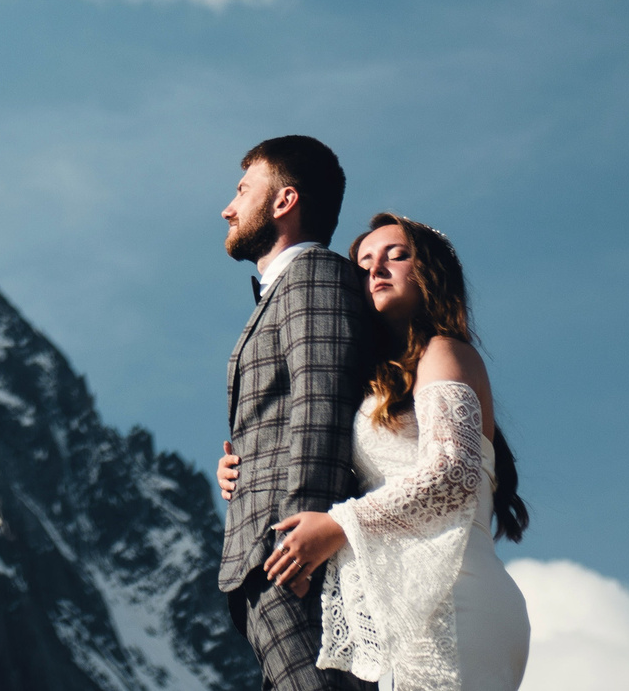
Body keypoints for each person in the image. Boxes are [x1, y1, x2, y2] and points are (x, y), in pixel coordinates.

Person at [260, 215, 533, 691]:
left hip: (456, 596)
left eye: (396, 256)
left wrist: (338, 525)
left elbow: (452, 475)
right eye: (363, 263)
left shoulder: (445, 352)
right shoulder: (377, 383)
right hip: (410, 604)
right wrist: (244, 468)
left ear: (431, 272)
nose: (376, 270)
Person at [215, 136, 379, 690]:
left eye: (242, 190)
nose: (228, 208)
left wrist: (300, 539)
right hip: (269, 555)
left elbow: (322, 401)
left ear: (284, 201)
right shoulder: (286, 287)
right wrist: (239, 462)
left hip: (288, 555)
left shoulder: (314, 275)